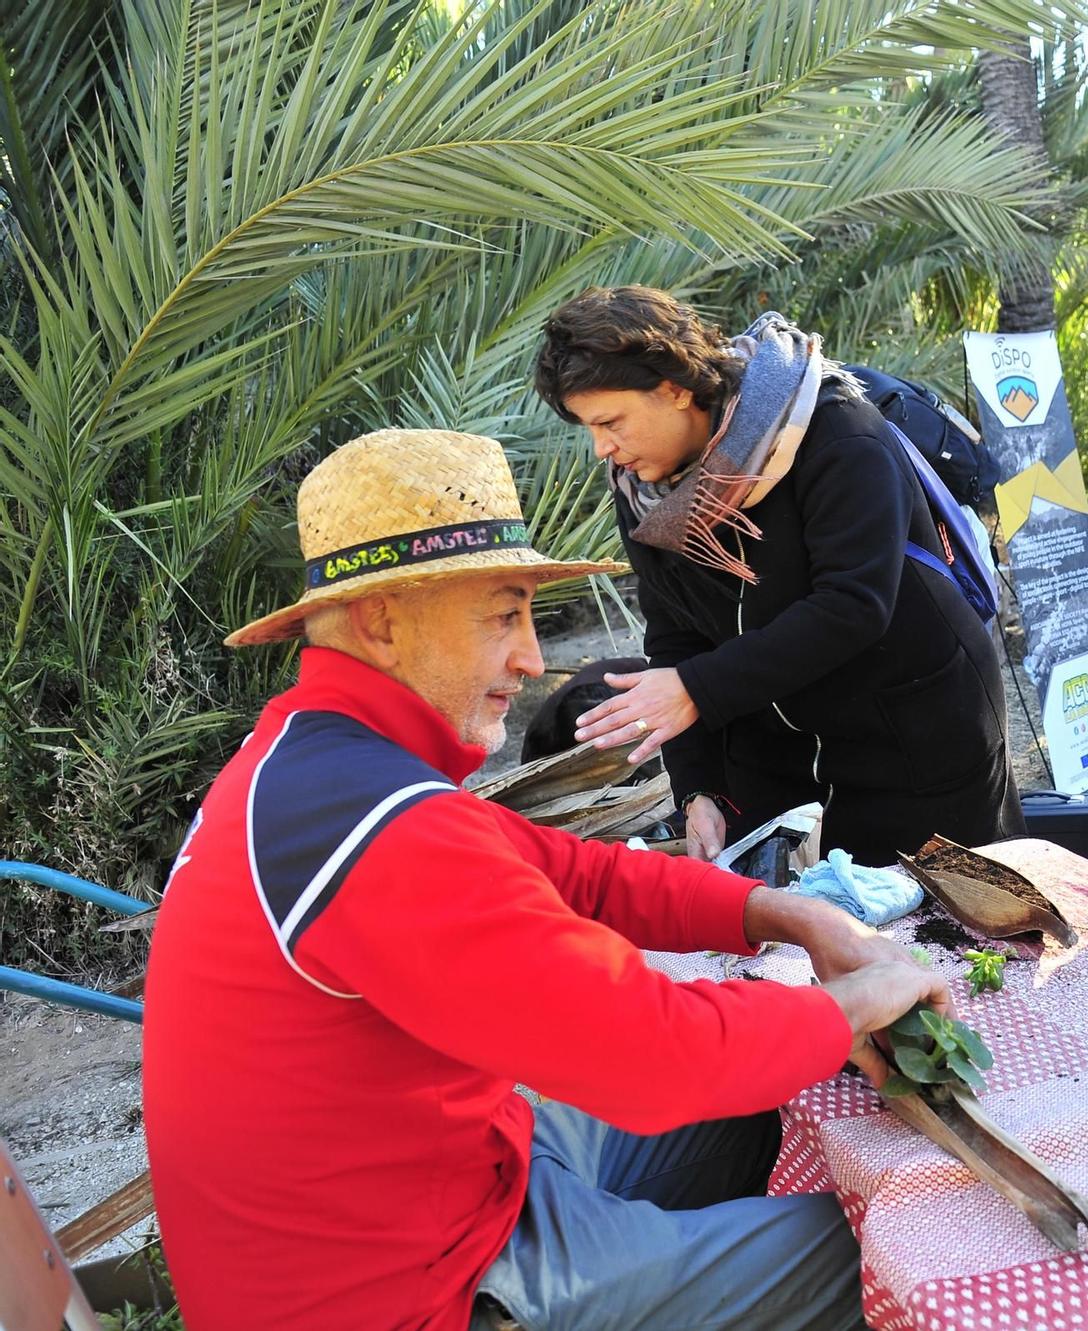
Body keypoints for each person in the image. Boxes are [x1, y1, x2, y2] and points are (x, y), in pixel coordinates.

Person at [143, 429, 948, 1330]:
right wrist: (859, 1000)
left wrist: (790, 915)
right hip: (422, 1292)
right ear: (381, 619)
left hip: (439, 1196)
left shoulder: (309, 761)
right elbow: (652, 1054)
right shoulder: (375, 823)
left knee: (773, 1088)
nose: (532, 658)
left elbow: (582, 876)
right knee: (895, 1244)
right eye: (504, 613)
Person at [533, 287, 1022, 866]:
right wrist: (699, 790)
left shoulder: (835, 432)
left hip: (916, 742)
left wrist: (697, 688)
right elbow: (675, 640)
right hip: (770, 758)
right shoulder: (644, 495)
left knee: (952, 938)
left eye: (610, 421)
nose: (600, 448)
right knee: (787, 947)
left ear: (674, 387)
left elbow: (854, 604)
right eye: (589, 427)